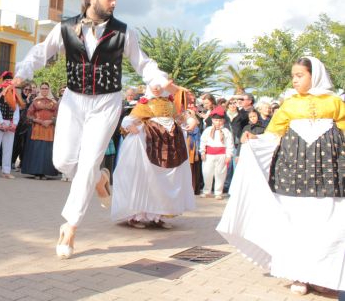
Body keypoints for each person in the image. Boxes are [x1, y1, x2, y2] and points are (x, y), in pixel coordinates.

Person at [12, 0, 177, 259]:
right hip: (74, 100)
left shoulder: (125, 32)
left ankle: (70, 226)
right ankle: (100, 178)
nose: (113, 3)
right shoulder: (65, 28)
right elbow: (42, 52)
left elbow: (144, 63)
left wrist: (157, 79)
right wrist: (23, 72)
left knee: (87, 162)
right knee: (62, 161)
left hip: (106, 102)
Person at [217, 56, 344, 296]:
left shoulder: (335, 102)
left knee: (328, 221)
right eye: (293, 76)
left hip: (330, 173)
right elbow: (274, 133)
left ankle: (323, 275)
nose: (295, 80)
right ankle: (299, 274)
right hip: (293, 172)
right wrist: (254, 139)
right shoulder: (289, 104)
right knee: (296, 220)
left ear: (313, 75)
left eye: (300, 75)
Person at [111, 85, 195, 229]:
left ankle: (158, 216)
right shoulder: (144, 103)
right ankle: (136, 216)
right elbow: (129, 119)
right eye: (153, 85)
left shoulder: (169, 103)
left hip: (170, 144)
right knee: (144, 178)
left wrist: (189, 119)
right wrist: (129, 126)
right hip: (148, 142)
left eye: (159, 85)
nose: (156, 88)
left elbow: (178, 118)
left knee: (163, 181)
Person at [0, 71, 22, 179]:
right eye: (6, 80)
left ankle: (6, 171)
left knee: (8, 148)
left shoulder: (14, 94)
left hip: (10, 123)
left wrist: (15, 123)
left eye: (9, 80)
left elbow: (16, 110)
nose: (8, 82)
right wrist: (1, 122)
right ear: (2, 81)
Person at [21, 82, 59, 179]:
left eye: (46, 88)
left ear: (49, 89)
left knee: (47, 151)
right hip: (37, 128)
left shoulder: (54, 102)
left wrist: (50, 121)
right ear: (40, 89)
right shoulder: (35, 101)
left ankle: (45, 172)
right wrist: (37, 120)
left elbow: (59, 115)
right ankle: (36, 172)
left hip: (49, 129)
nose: (44, 90)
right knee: (37, 150)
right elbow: (28, 115)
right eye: (42, 88)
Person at [199, 106, 234, 199]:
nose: (218, 123)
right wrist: (202, 152)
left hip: (221, 154)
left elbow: (230, 144)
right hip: (209, 154)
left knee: (220, 173)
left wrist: (228, 155)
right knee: (207, 172)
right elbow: (203, 141)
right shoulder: (207, 130)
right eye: (215, 120)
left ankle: (218, 192)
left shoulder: (226, 132)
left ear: (223, 121)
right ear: (212, 120)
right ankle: (207, 190)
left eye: (220, 121)